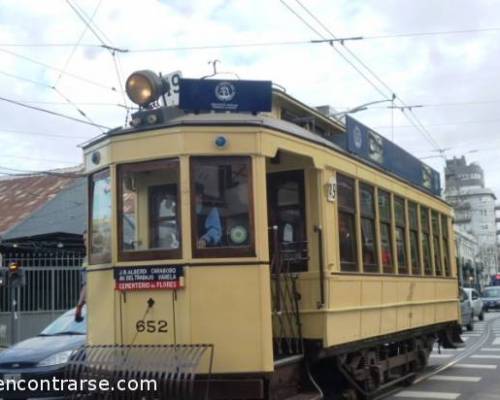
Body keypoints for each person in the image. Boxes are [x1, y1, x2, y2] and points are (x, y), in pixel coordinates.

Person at [195, 184, 222, 248]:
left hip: (208, 249)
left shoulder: (210, 209)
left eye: (196, 195)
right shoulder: (184, 210)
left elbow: (215, 230)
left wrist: (204, 240)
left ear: (200, 196)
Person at [75, 229, 87, 322]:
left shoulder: (94, 256)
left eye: (87, 239)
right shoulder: (86, 259)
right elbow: (85, 284)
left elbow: (86, 284)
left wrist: (79, 306)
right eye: (84, 240)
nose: (85, 243)